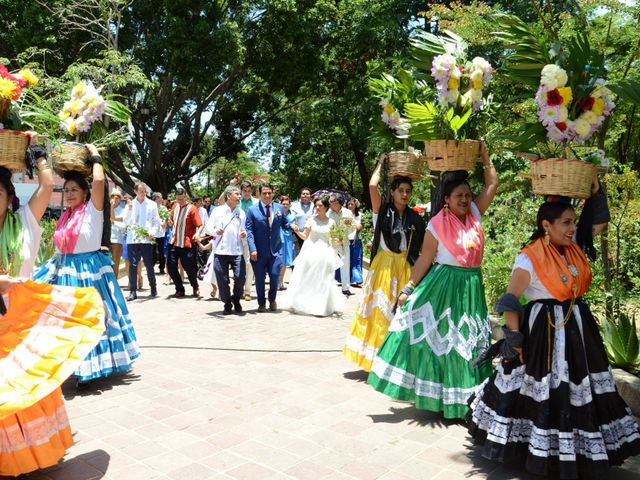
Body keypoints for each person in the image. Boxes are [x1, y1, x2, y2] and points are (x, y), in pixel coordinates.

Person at [467, 190, 640, 478]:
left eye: (573, 222)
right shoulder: (529, 257)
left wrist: (596, 188)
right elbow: (511, 300)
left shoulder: (572, 248)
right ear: (546, 226)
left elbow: (597, 223)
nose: (573, 228)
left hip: (577, 330)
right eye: (566, 223)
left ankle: (574, 450)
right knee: (545, 389)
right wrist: (514, 339)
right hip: (543, 333)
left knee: (578, 390)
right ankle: (534, 450)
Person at [367, 143, 498, 419]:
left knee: (467, 343)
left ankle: (467, 401)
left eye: (467, 194)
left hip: (471, 287)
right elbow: (425, 260)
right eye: (458, 195)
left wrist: (484, 155)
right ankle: (444, 399)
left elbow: (492, 184)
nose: (465, 199)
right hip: (443, 287)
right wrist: (407, 289)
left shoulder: (474, 214)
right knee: (444, 342)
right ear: (446, 200)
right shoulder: (436, 224)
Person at [0, 141, 105, 476]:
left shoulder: (26, 221)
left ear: (8, 197)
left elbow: (47, 185)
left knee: (30, 387)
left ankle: (34, 453)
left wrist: (38, 153)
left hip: (24, 318)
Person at [34, 145, 141, 385]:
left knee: (87, 320)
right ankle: (70, 365)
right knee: (67, 322)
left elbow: (100, 180)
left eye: (75, 190)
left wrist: (94, 156)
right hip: (65, 274)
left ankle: (88, 370)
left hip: (88, 275)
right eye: (67, 190)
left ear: (86, 193)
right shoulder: (66, 215)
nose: (70, 194)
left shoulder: (93, 210)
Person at [343, 161, 425, 372]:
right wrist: (381, 163)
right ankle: (375, 359)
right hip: (384, 267)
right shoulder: (382, 210)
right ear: (392, 192)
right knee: (379, 312)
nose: (404, 195)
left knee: (400, 314)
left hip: (404, 267)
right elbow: (372, 186)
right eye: (401, 190)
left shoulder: (414, 217)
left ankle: (395, 360)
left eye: (408, 191)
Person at [282, 195, 344, 316]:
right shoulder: (311, 220)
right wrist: (296, 230)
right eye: (316, 205)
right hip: (311, 252)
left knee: (325, 279)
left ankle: (323, 305)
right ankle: (307, 302)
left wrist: (341, 240)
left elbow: (334, 239)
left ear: (326, 207)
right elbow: (305, 236)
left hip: (326, 253)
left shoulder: (331, 222)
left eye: (320, 205)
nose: (317, 207)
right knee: (309, 278)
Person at [245, 183, 290, 312]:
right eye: (264, 193)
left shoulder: (279, 208)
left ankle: (272, 299)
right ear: (260, 194)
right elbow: (249, 231)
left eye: (269, 193)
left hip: (275, 250)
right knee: (259, 279)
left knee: (275, 276)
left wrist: (293, 227)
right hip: (258, 252)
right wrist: (252, 248)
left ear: (272, 193)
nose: (267, 195)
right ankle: (261, 303)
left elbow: (285, 224)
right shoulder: (252, 210)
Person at [204, 185, 246, 314]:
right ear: (229, 196)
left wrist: (244, 234)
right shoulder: (217, 211)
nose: (239, 196)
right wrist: (216, 231)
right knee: (222, 280)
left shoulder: (241, 212)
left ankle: (236, 298)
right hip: (220, 251)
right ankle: (227, 303)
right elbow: (208, 228)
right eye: (237, 194)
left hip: (237, 251)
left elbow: (244, 230)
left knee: (240, 278)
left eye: (240, 194)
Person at [123, 182, 161, 300]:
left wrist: (153, 232)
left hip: (146, 239)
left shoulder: (152, 204)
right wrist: (129, 209)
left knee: (149, 265)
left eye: (144, 191)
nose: (143, 194)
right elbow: (126, 222)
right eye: (141, 192)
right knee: (133, 265)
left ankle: (153, 287)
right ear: (135, 192)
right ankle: (133, 291)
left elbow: (156, 221)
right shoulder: (130, 204)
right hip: (133, 239)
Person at [167, 187, 202, 297]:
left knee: (189, 268)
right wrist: (168, 221)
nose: (180, 201)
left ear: (185, 197)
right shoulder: (174, 207)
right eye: (178, 199)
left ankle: (195, 286)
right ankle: (179, 289)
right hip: (174, 241)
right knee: (171, 266)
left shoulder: (192, 209)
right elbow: (171, 222)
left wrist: (197, 233)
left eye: (182, 199)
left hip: (186, 243)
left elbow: (200, 225)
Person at [328, 192, 355, 296]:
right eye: (329, 201)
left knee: (345, 264)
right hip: (331, 242)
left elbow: (351, 226)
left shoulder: (348, 212)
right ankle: (330, 286)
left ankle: (345, 288)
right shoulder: (328, 213)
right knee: (331, 264)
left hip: (344, 241)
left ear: (338, 202)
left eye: (332, 201)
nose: (330, 203)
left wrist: (344, 232)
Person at [238, 180, 258, 300]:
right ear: (241, 191)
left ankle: (247, 291)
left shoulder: (256, 202)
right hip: (237, 237)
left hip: (251, 237)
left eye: (249, 191)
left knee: (249, 264)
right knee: (238, 264)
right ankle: (238, 289)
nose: (246, 193)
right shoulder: (235, 201)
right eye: (244, 191)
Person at [278, 195, 296, 289]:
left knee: (285, 260)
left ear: (290, 205)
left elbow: (294, 228)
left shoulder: (293, 214)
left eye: (287, 204)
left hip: (288, 238)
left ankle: (281, 280)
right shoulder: (277, 212)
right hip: (278, 237)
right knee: (278, 259)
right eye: (283, 204)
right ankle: (276, 280)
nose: (285, 205)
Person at [290, 187, 314, 253]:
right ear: (300, 195)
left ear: (310, 196)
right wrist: (292, 224)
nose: (305, 195)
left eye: (307, 194)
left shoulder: (314, 206)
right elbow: (290, 219)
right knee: (298, 255)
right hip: (298, 235)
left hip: (311, 236)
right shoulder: (294, 206)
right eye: (303, 194)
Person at [346, 197, 364, 287]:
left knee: (357, 259)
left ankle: (358, 279)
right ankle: (347, 279)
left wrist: (361, 226)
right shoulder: (344, 215)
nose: (350, 206)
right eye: (348, 204)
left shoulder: (360, 215)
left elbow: (364, 224)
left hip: (357, 239)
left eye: (352, 204)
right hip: (347, 239)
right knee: (348, 260)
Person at [109, 187, 126, 278]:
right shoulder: (105, 209)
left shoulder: (123, 211)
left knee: (115, 261)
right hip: (106, 239)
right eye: (112, 197)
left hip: (117, 239)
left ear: (119, 200)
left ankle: (114, 280)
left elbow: (123, 226)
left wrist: (113, 222)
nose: (114, 199)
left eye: (117, 197)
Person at [152, 191, 168, 275]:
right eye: (161, 197)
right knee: (152, 252)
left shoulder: (164, 208)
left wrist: (165, 224)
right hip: (152, 234)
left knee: (162, 252)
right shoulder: (151, 208)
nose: (162, 199)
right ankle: (151, 266)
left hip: (161, 234)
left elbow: (166, 220)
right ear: (156, 198)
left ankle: (162, 268)